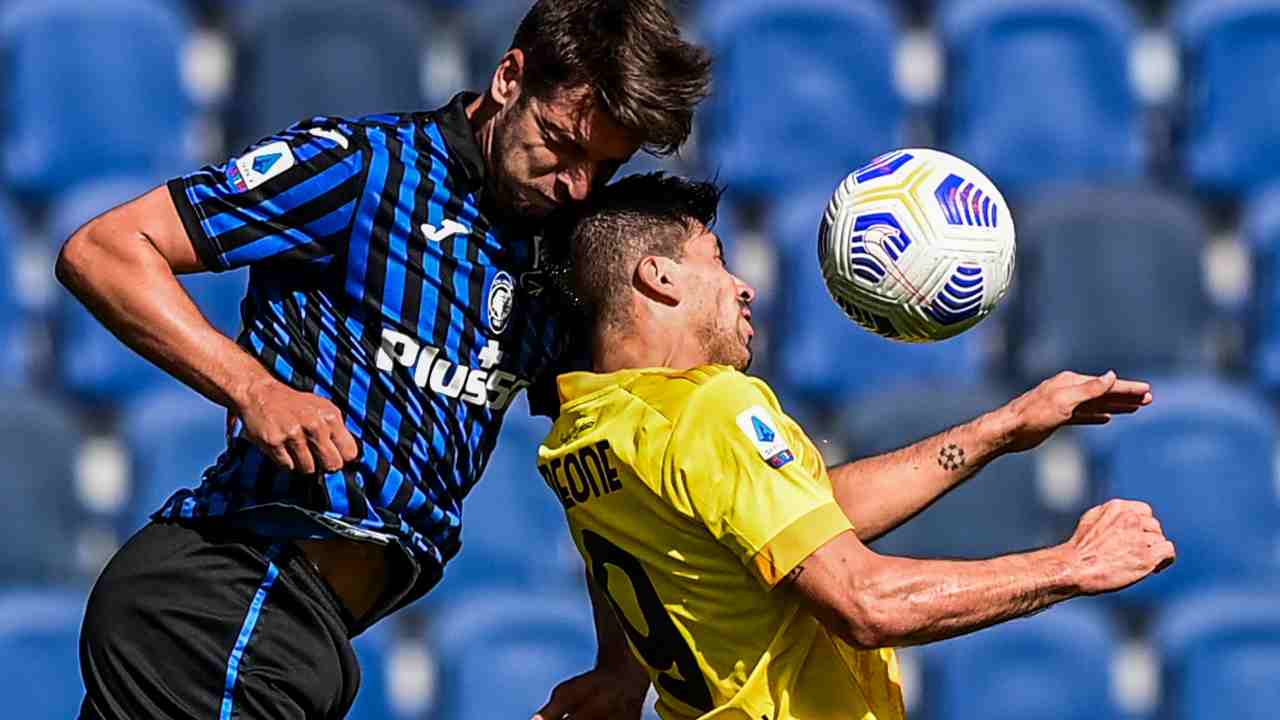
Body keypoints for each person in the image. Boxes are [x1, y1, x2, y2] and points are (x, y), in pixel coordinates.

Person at [56, 2, 710, 718]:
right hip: (228, 603)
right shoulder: (362, 167)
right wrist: (255, 389)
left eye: (604, 166)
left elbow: (601, 465)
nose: (577, 185)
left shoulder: (554, 266)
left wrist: (621, 663)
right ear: (508, 78)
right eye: (561, 143)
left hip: (305, 633)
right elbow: (107, 251)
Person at [533, 173, 1177, 720]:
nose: (743, 286)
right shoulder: (710, 406)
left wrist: (1002, 429)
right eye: (717, 259)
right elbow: (865, 603)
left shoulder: (585, 429)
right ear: (660, 277)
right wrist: (1073, 566)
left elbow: (787, 518)